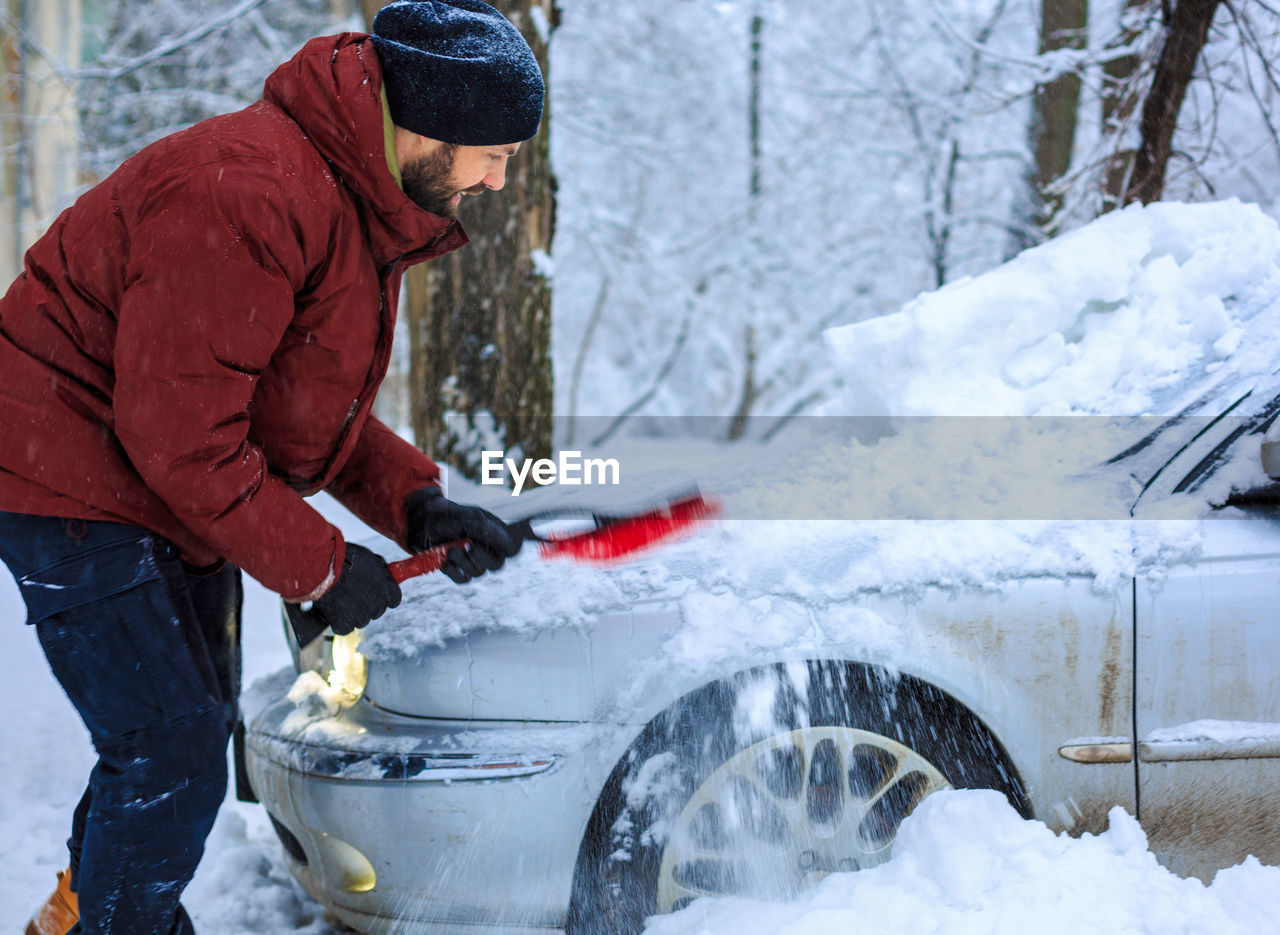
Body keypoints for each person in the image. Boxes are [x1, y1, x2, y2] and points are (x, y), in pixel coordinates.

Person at [0, 2, 543, 933]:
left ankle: (74, 917)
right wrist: (323, 565)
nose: (498, 179)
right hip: (68, 479)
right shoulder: (247, 190)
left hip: (160, 484)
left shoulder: (354, 197)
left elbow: (286, 408)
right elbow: (181, 431)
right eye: (490, 153)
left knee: (179, 740)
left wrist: (414, 503)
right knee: (168, 750)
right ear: (422, 129)